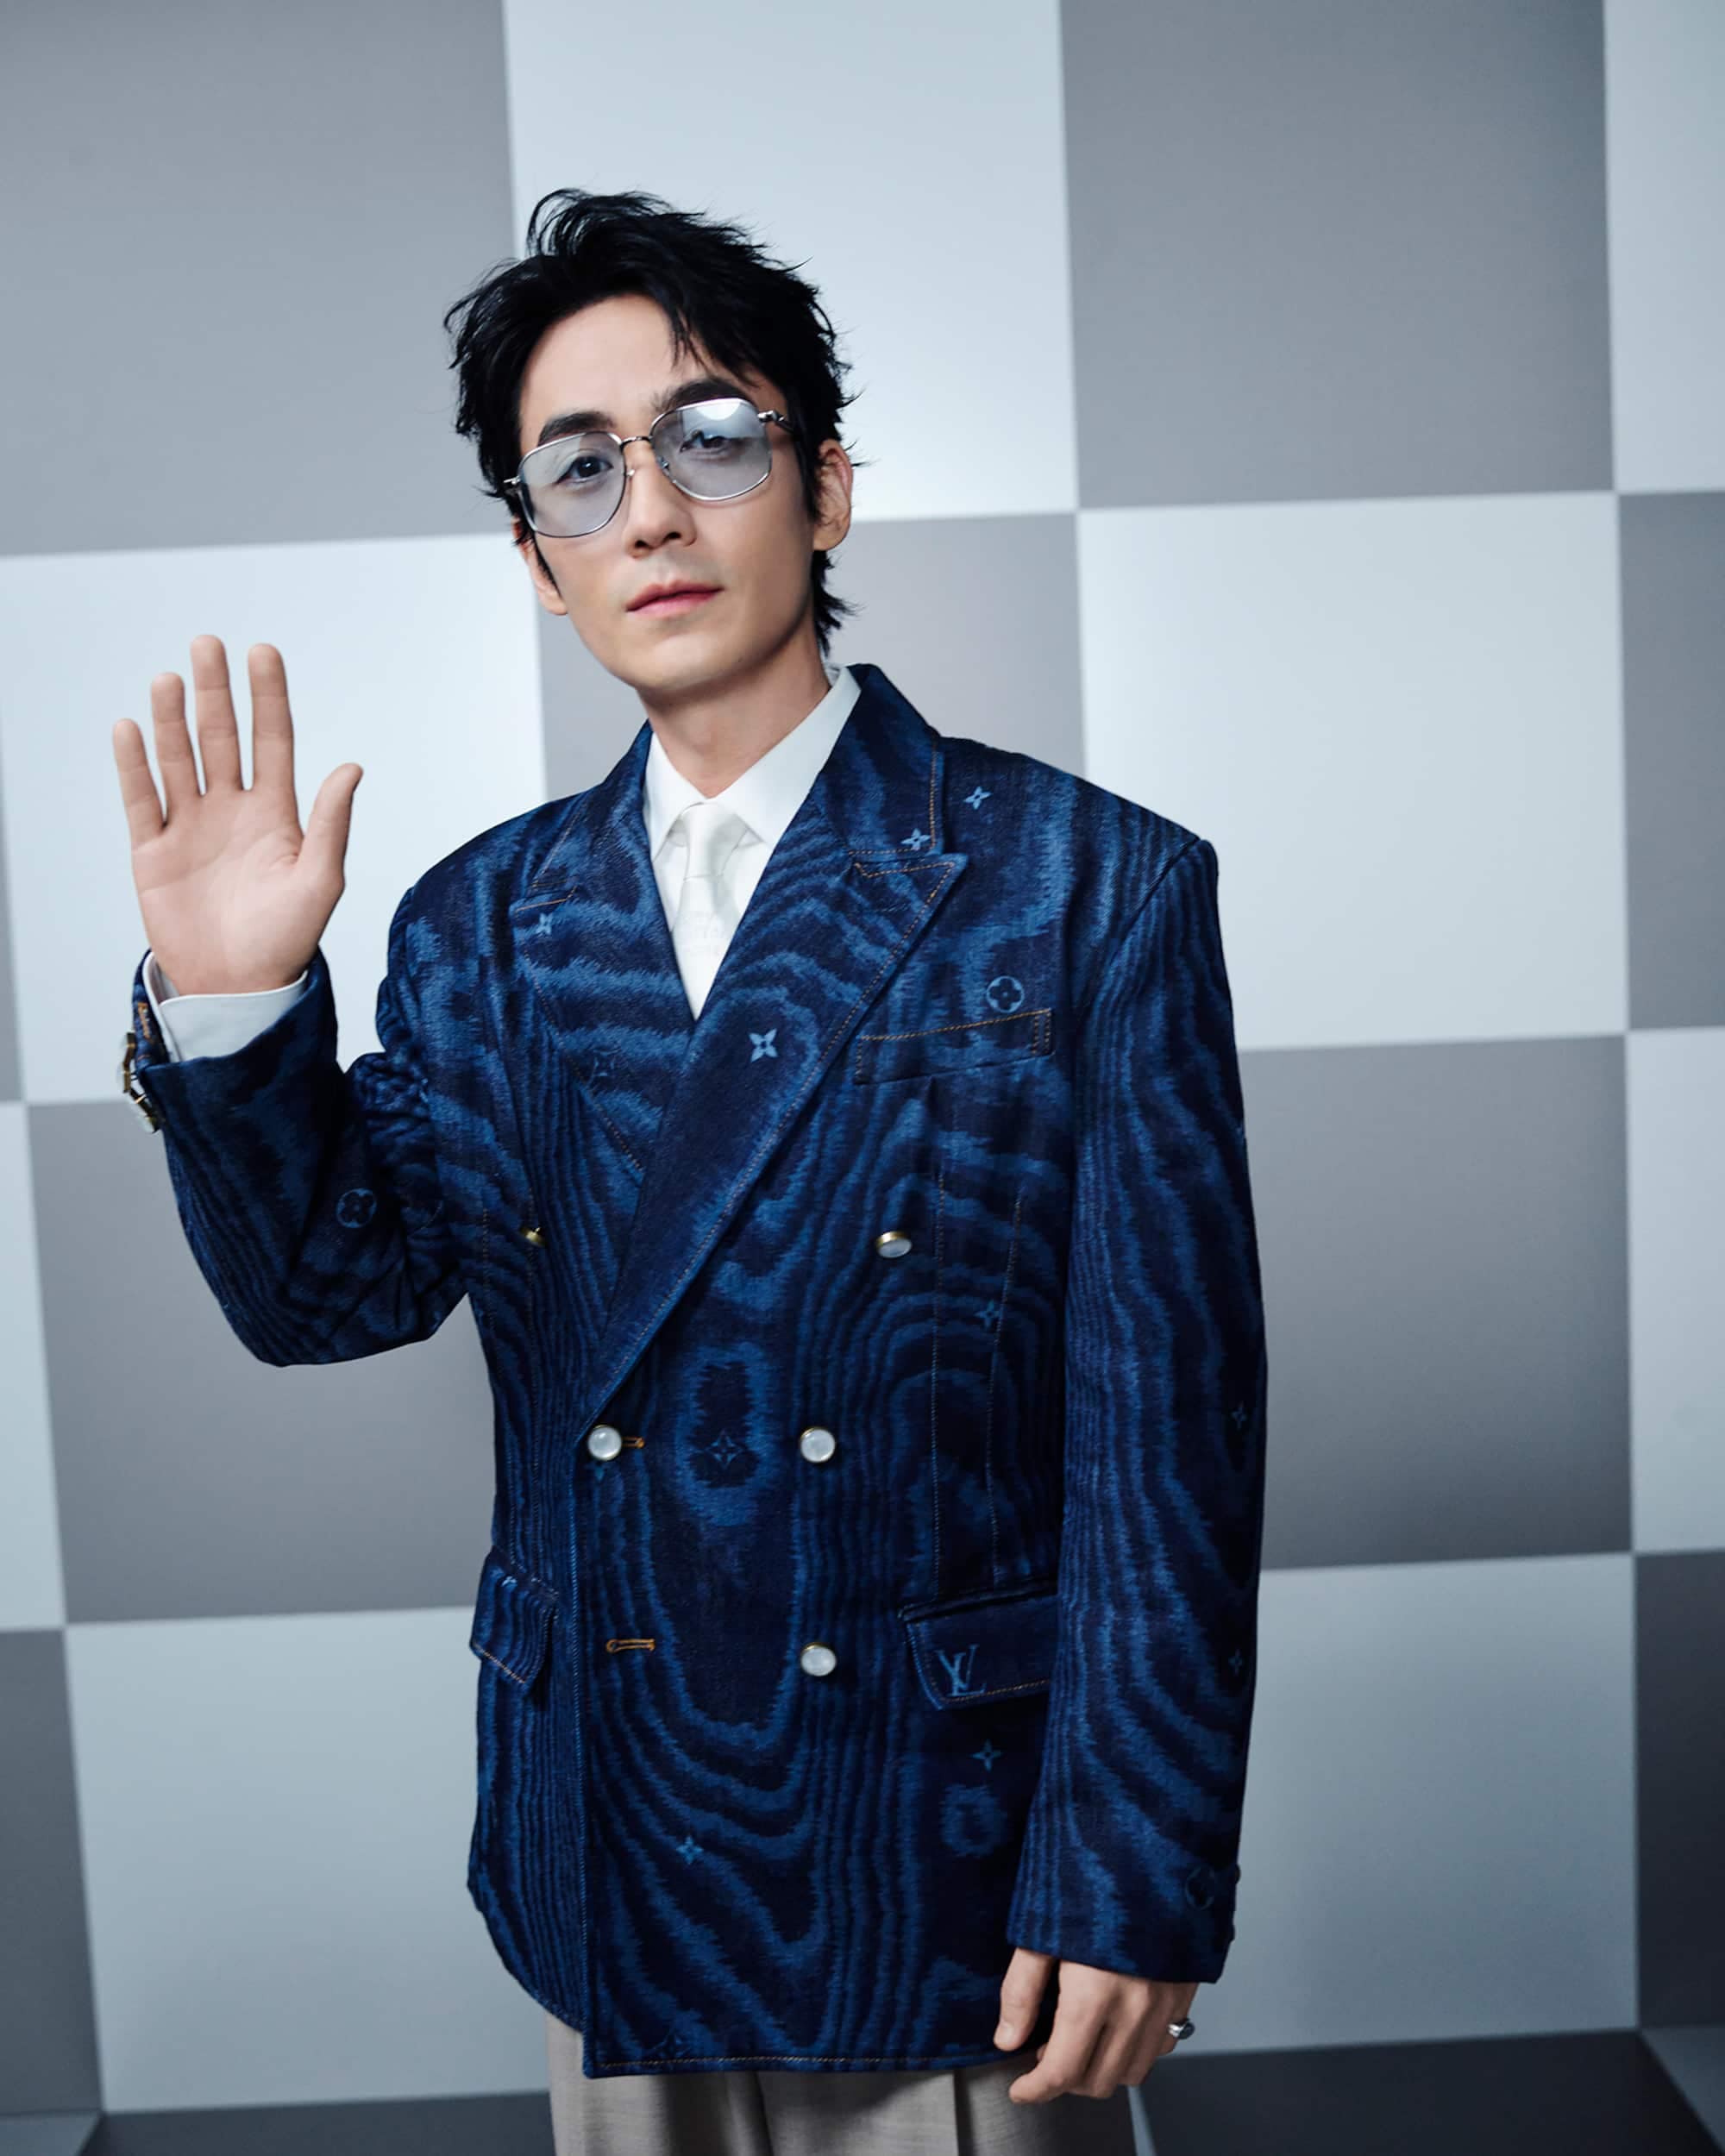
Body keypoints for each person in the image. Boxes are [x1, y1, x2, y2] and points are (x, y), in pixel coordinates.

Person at [112, 188, 1268, 2156]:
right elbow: (326, 1298)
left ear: (826, 489)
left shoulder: (1089, 883)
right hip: (610, 1831)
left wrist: (1136, 1864)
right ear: (537, 561)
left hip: (954, 1849)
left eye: (710, 438)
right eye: (580, 471)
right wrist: (237, 1012)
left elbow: (1165, 1442)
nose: (649, 510)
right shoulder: (483, 920)